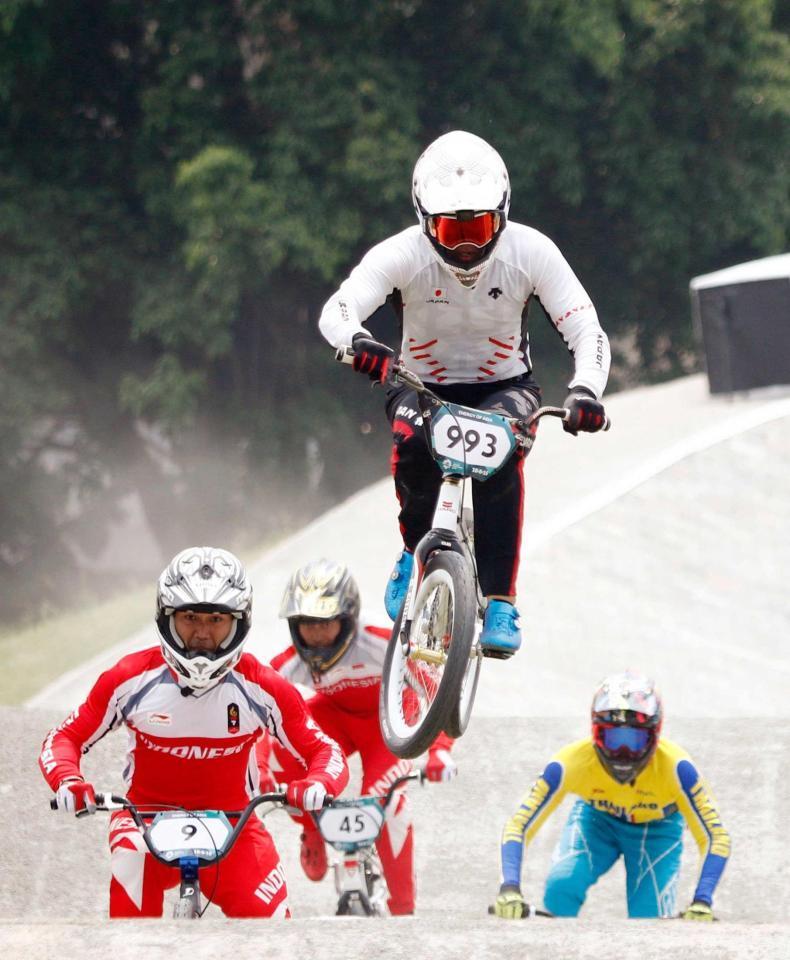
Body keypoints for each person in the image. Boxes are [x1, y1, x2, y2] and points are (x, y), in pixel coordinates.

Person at [318, 129, 610, 659]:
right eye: (453, 229)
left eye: (480, 227)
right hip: (419, 384)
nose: (468, 245)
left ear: (503, 213)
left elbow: (587, 329)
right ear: (425, 221)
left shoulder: (533, 251)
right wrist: (358, 341)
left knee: (500, 465)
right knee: (412, 445)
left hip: (507, 387)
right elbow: (337, 310)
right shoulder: (399, 253)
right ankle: (412, 551)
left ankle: (500, 599)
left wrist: (585, 390)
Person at [39, 546, 349, 919]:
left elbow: (325, 751)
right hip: (144, 820)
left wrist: (318, 784)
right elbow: (63, 739)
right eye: (189, 617)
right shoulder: (129, 678)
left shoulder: (264, 687)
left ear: (239, 622)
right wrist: (68, 780)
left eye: (217, 619)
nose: (202, 633)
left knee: (276, 933)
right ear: (166, 617)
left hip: (235, 824)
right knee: (129, 908)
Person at [255, 557, 457, 915]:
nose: (315, 634)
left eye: (325, 622)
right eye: (306, 624)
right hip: (336, 719)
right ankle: (312, 830)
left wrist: (439, 750)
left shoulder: (382, 642)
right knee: (277, 748)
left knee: (388, 807)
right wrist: (260, 771)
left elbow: (439, 688)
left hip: (388, 726)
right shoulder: (289, 662)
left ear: (347, 618)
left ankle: (402, 911)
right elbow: (256, 710)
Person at [492, 670, 730, 920]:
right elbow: (519, 825)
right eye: (613, 739)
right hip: (597, 822)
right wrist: (509, 887)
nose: (623, 752)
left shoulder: (678, 768)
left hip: (657, 832)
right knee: (561, 888)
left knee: (649, 922)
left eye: (635, 740)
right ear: (595, 732)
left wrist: (703, 900)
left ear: (655, 734)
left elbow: (716, 837)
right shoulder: (569, 763)